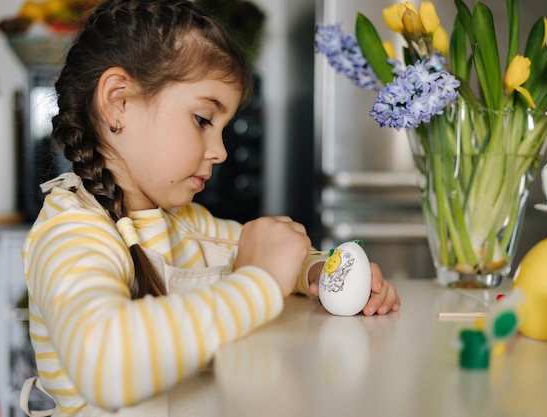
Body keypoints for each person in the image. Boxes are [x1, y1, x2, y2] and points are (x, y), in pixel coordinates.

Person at [21, 0, 401, 415]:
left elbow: (271, 258)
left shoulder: (189, 224)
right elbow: (106, 364)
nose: (220, 151)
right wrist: (259, 281)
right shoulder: (71, 233)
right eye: (203, 119)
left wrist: (323, 274)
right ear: (118, 102)